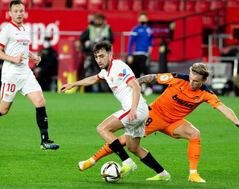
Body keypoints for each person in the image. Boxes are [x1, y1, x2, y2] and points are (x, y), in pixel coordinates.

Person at [78, 62, 239, 183]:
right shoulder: (177, 78)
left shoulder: (206, 93)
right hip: (154, 115)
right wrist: (135, 84)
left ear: (203, 81)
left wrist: (236, 121)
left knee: (195, 134)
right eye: (191, 78)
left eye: (197, 81)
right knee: (125, 141)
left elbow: (223, 107)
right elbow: (152, 77)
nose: (192, 83)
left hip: (174, 122)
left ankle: (193, 174)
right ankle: (92, 160)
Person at [61, 41, 170, 181]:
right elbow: (94, 78)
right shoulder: (106, 70)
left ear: (110, 54)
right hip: (136, 110)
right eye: (96, 57)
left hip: (135, 109)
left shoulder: (119, 67)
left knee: (102, 129)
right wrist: (73, 84)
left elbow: (136, 86)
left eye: (102, 56)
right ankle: (162, 173)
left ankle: (127, 162)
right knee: (133, 147)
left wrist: (133, 109)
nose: (99, 60)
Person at [0, 0, 59, 150]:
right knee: (3, 110)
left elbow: (23, 50)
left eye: (21, 11)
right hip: (11, 74)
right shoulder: (7, 29)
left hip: (25, 73)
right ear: (10, 13)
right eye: (16, 11)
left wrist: (33, 56)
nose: (19, 13)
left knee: (40, 101)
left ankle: (45, 141)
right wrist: (13, 59)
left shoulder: (25, 29)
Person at [80, 13, 114, 92]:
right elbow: (82, 38)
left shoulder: (107, 28)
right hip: (92, 54)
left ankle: (106, 90)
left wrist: (105, 41)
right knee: (92, 72)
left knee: (105, 72)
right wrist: (86, 46)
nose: (98, 21)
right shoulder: (90, 28)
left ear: (103, 20)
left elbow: (111, 39)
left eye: (100, 19)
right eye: (97, 19)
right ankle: (90, 90)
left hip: (104, 55)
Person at [127, 13, 153, 78]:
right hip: (136, 54)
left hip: (145, 54)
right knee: (136, 72)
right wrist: (130, 55)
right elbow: (131, 42)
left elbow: (150, 42)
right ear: (138, 19)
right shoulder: (135, 29)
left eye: (144, 18)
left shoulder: (149, 30)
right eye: (141, 18)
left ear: (147, 19)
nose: (142, 19)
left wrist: (150, 51)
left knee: (146, 71)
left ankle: (148, 87)